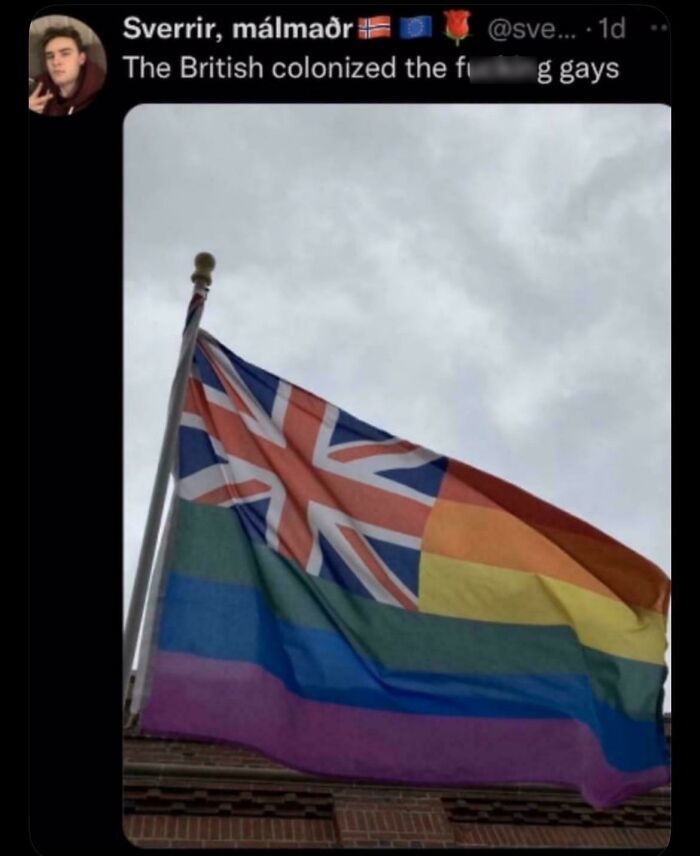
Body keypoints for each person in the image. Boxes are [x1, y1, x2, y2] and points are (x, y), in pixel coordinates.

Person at [29, 26, 105, 116]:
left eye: (65, 54)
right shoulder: (40, 85)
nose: (55, 62)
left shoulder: (97, 89)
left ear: (81, 59)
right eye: (50, 56)